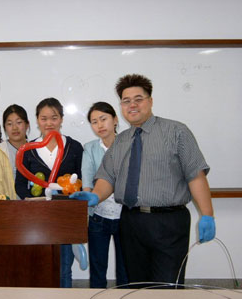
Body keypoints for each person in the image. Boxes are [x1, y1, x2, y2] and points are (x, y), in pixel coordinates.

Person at [71, 74, 215, 287]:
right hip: (131, 223)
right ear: (121, 106)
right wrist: (94, 196)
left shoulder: (176, 131)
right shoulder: (120, 141)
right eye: (126, 101)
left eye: (138, 98)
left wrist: (207, 215)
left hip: (169, 222)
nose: (132, 105)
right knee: (137, 287)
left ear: (150, 101)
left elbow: (195, 175)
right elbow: (107, 177)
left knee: (167, 286)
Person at [15, 97, 83, 288]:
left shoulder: (75, 147)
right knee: (38, 266)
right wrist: (31, 200)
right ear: (37, 120)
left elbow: (81, 181)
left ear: (61, 119)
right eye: (44, 118)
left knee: (64, 268)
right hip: (37, 218)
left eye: (54, 118)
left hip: (65, 218)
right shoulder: (28, 150)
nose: (49, 123)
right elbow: (20, 185)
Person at [82, 102, 127, 288]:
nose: (100, 125)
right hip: (98, 216)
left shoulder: (129, 144)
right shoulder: (90, 148)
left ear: (115, 120)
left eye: (103, 119)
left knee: (125, 270)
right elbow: (87, 183)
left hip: (126, 216)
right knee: (98, 269)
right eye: (94, 122)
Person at [0, 104, 29, 200]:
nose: (14, 128)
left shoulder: (36, 150)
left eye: (19, 122)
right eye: (9, 124)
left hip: (35, 208)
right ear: (5, 127)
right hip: (7, 209)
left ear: (27, 124)